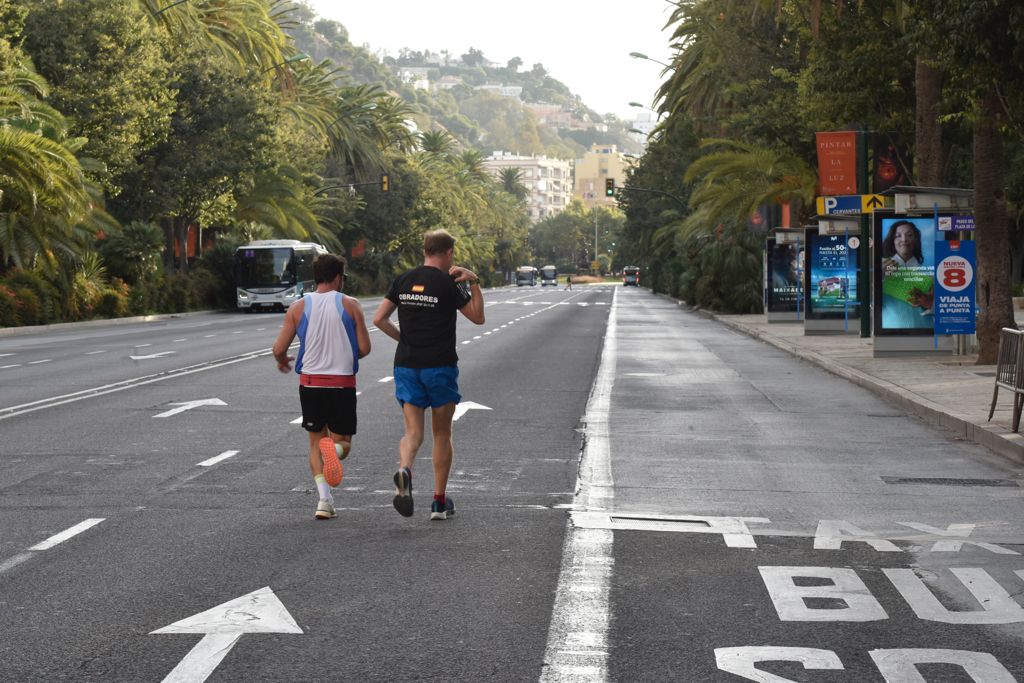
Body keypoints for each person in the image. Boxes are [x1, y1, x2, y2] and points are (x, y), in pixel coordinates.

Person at [372, 229, 485, 521]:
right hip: (440, 366)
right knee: (442, 433)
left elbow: (378, 318)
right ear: (448, 253)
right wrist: (473, 281)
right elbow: (477, 316)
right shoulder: (450, 283)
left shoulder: (403, 280)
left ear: (426, 250)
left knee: (413, 432)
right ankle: (438, 503)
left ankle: (405, 469)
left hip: (407, 365)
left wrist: (403, 339)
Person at [272, 254, 370, 520]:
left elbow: (279, 349)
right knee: (343, 443)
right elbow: (364, 348)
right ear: (338, 277)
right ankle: (335, 453)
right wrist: (343, 351)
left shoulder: (297, 308)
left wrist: (283, 361)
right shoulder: (351, 305)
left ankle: (324, 501)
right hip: (342, 384)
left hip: (311, 384)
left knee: (316, 443)